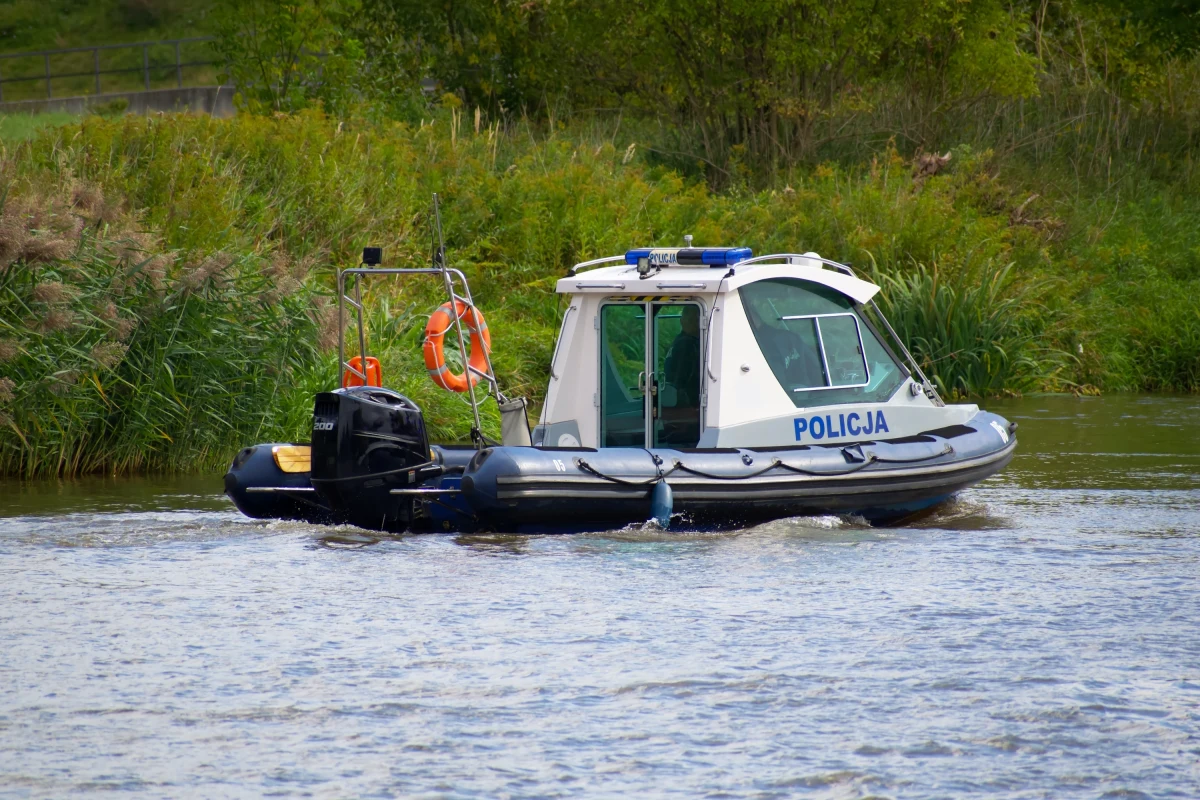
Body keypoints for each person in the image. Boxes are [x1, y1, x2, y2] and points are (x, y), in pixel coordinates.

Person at [664, 306, 701, 408]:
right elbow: (682, 375)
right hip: (686, 398)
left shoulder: (679, 340)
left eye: (697, 320)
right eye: (692, 320)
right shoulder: (686, 343)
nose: (695, 323)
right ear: (682, 321)